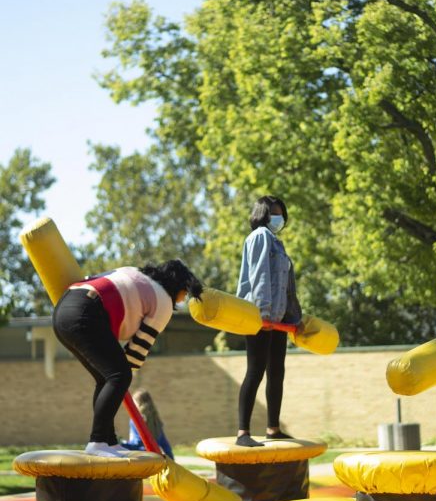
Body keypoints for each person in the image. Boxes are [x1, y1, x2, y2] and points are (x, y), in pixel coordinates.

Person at [52, 259, 203, 457]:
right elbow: (134, 356)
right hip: (87, 313)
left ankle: (109, 441)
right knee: (119, 376)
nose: (183, 299)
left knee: (106, 377)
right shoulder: (163, 301)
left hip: (63, 311)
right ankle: (97, 441)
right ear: (178, 287)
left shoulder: (134, 273)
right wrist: (122, 378)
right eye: (185, 292)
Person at [235, 195, 303, 447]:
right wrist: (262, 314)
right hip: (260, 317)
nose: (279, 217)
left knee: (277, 371)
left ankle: (273, 428)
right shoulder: (260, 236)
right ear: (262, 213)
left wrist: (295, 318)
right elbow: (259, 276)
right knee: (256, 371)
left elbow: (287, 288)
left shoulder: (278, 243)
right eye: (274, 212)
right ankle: (243, 432)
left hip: (279, 318)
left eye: (281, 213)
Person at [121, 388, 174, 458]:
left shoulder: (136, 420)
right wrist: (171, 459)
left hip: (140, 458)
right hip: (155, 457)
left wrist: (121, 444)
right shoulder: (156, 420)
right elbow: (164, 444)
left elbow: (137, 444)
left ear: (138, 403)